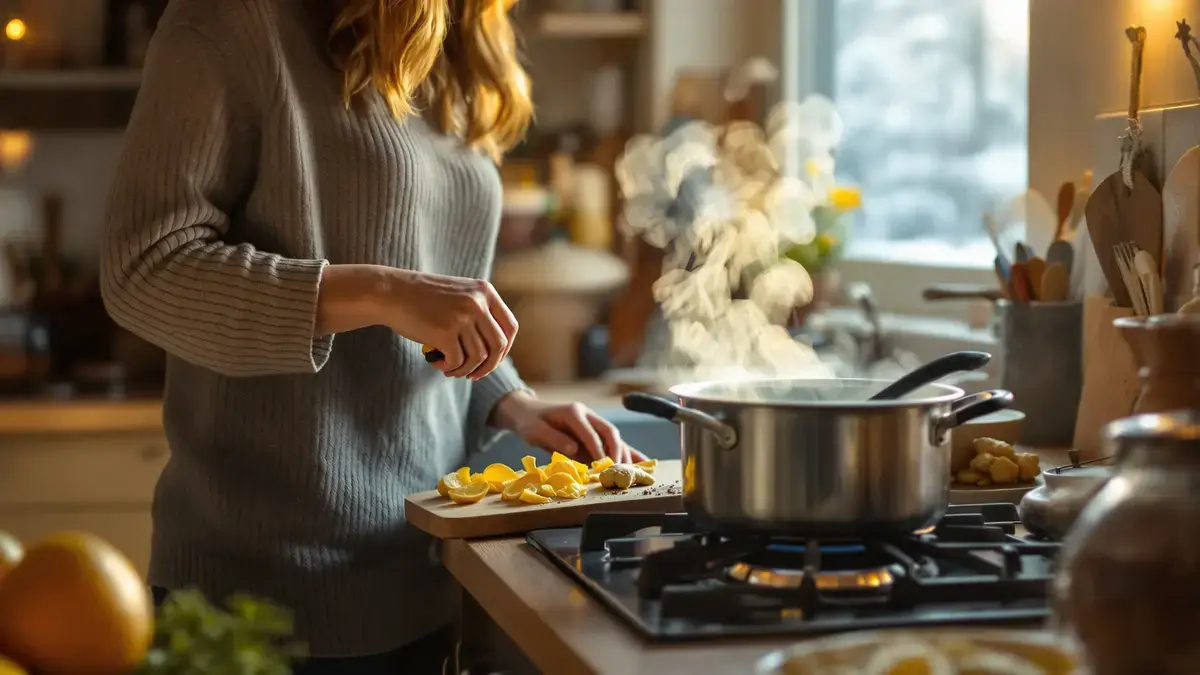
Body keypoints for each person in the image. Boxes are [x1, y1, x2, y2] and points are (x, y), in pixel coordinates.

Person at [99, 0, 647, 671]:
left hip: (423, 578)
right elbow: (143, 267)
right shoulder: (230, 22)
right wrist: (380, 292)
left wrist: (508, 398)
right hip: (256, 600)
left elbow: (431, 293)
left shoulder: (461, 37)